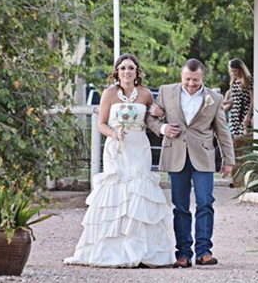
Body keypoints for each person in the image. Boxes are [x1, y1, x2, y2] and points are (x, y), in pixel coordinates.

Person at [64, 53, 175, 268]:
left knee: (138, 191)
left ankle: (142, 249)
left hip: (139, 146)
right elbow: (101, 123)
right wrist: (114, 134)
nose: (127, 71)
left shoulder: (145, 94)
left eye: (131, 68)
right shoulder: (109, 94)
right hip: (117, 147)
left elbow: (151, 120)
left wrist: (159, 115)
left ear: (136, 72)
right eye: (123, 68)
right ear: (117, 71)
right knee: (116, 191)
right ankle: (112, 249)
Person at [146, 58, 235, 269]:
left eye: (195, 80)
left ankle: (204, 252)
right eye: (187, 79)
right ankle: (183, 254)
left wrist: (228, 160)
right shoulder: (166, 92)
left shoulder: (214, 98)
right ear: (181, 76)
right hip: (176, 155)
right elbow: (150, 118)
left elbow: (223, 131)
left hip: (203, 158)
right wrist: (162, 128)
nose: (191, 84)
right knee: (181, 207)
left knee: (205, 203)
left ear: (202, 77)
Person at [223, 58, 254, 187]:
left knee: (242, 148)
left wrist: (248, 115)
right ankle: (236, 178)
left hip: (243, 114)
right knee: (234, 148)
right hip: (234, 115)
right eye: (232, 71)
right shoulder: (234, 81)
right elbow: (233, 100)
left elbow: (252, 100)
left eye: (236, 71)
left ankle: (243, 178)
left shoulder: (248, 81)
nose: (234, 73)